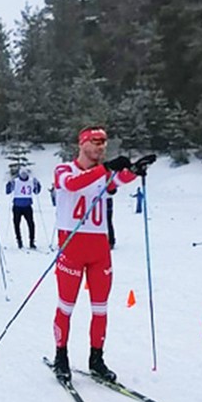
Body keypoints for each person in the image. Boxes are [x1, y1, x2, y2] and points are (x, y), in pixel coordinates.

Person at [49, 127, 142, 383]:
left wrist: (134, 171)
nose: (101, 147)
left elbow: (116, 182)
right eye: (96, 142)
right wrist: (106, 169)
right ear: (82, 144)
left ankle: (96, 358)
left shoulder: (103, 174)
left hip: (99, 248)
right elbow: (72, 184)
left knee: (100, 309)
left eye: (104, 142)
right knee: (66, 306)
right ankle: (61, 355)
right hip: (72, 247)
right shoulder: (64, 169)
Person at [5, 166, 41, 249]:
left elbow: (37, 191)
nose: (24, 176)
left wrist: (37, 184)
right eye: (22, 174)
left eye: (25, 174)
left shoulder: (31, 181)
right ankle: (19, 241)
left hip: (27, 206)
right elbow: (8, 191)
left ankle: (32, 241)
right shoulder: (16, 181)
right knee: (16, 224)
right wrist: (9, 184)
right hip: (17, 206)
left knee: (31, 224)